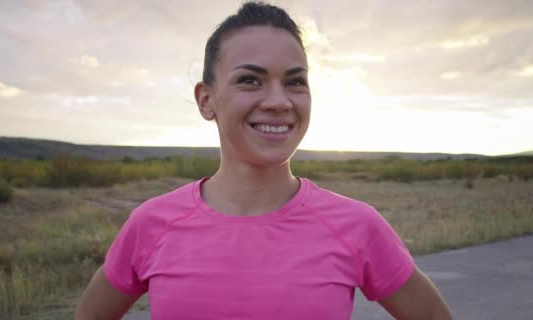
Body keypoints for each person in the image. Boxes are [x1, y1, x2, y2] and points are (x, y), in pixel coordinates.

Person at [75, 1, 452, 319]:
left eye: (294, 81)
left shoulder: (356, 226)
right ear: (206, 100)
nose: (278, 101)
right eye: (251, 81)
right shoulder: (152, 225)